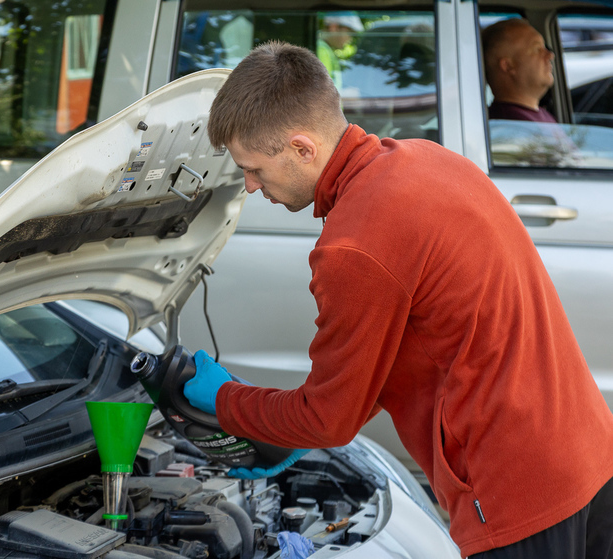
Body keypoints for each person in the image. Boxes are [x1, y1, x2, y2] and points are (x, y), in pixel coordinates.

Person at [183, 41, 613, 558]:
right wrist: (289, 430)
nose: (250, 187)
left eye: (254, 169)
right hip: (588, 453)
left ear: (302, 148)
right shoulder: (427, 161)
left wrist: (227, 402)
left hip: (516, 490)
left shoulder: (354, 244)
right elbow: (394, 360)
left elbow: (330, 420)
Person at [482, 19, 557, 123]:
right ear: (508, 66)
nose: (550, 55)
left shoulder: (539, 114)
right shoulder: (507, 125)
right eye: (537, 49)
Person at [316, 13, 363, 91]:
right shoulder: (322, 50)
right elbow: (322, 92)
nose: (350, 39)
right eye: (349, 33)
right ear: (334, 27)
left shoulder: (323, 48)